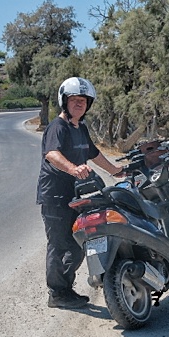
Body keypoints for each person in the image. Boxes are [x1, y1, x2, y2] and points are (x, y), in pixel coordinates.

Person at [36, 77, 124, 309]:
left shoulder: (80, 128)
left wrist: (115, 170)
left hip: (76, 195)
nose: (79, 104)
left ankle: (65, 290)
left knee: (78, 243)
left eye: (83, 101)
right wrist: (73, 169)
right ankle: (57, 294)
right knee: (60, 245)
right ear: (64, 101)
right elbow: (51, 154)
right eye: (74, 100)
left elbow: (94, 153)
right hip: (55, 196)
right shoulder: (58, 127)